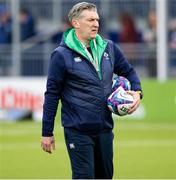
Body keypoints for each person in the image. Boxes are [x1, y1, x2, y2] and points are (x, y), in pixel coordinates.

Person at [41, 2, 143, 179]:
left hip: (104, 129)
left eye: (97, 19)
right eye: (90, 20)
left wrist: (137, 92)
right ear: (75, 23)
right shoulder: (61, 55)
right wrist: (47, 132)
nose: (96, 24)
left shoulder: (109, 48)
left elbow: (129, 72)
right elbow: (52, 95)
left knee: (105, 176)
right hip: (77, 130)